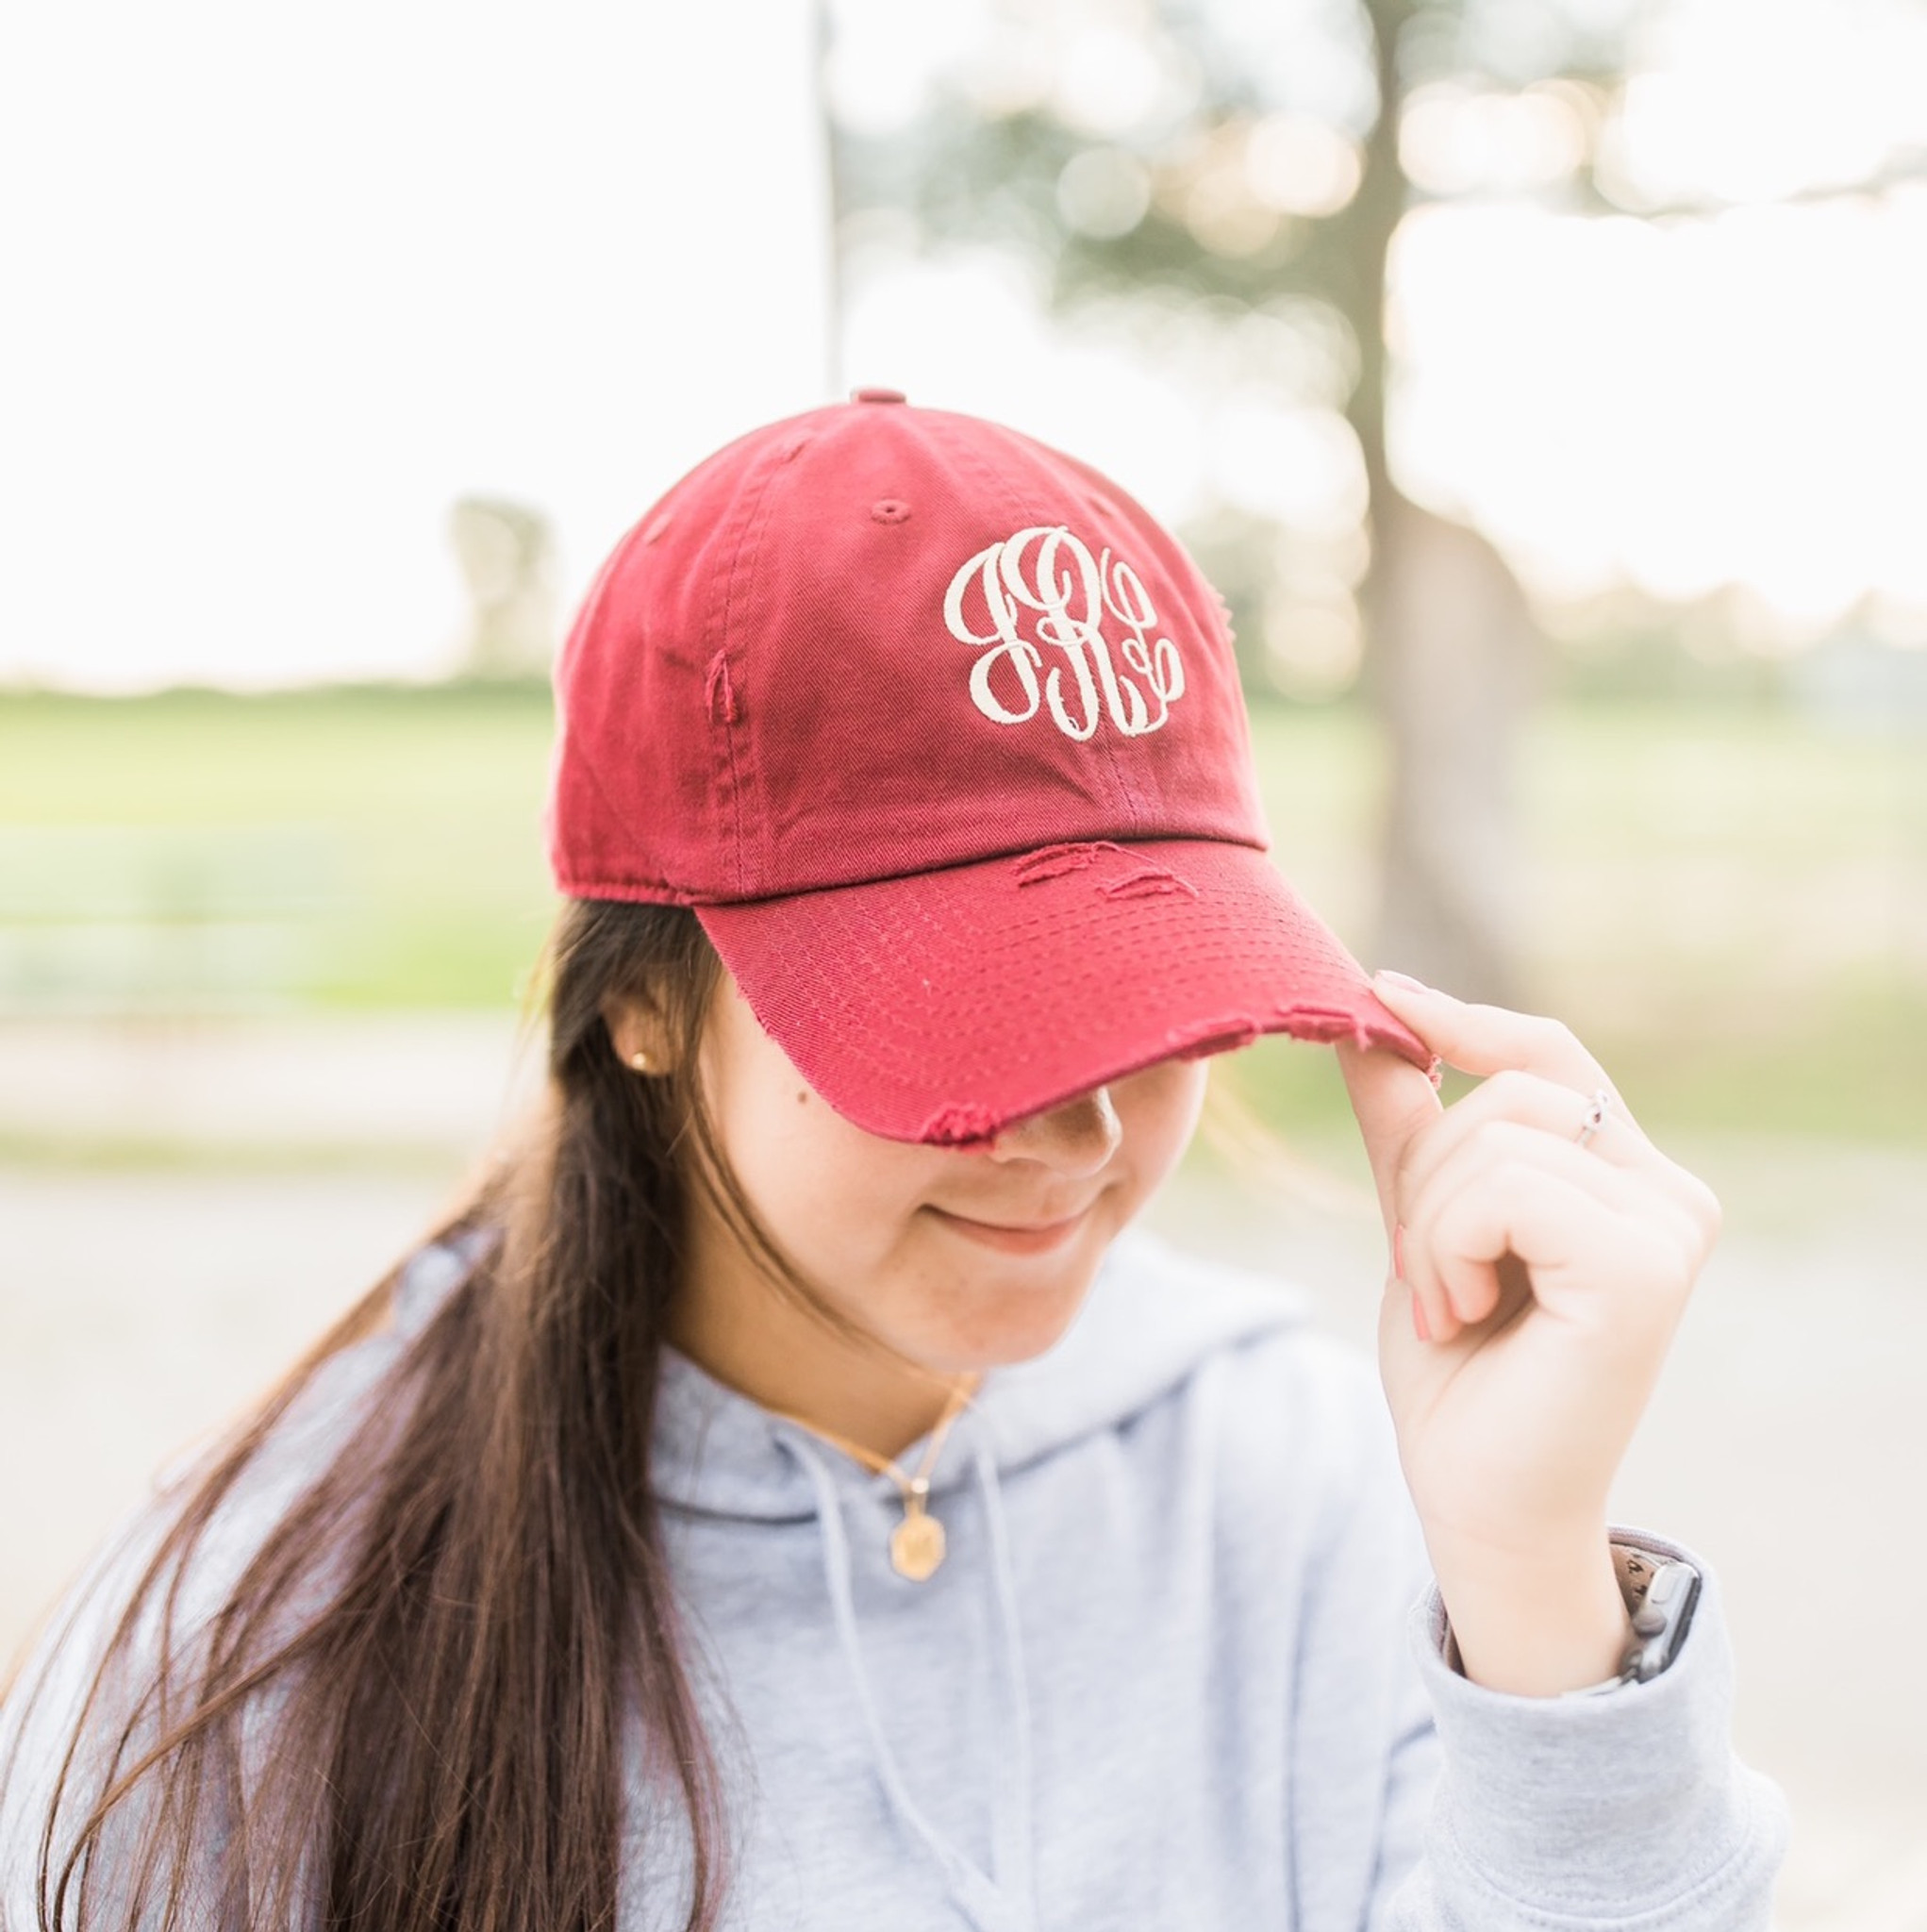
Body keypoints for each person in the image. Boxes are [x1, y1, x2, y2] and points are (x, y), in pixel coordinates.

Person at [0, 391, 1786, 1929]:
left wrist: (1534, 1583)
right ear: (641, 1001)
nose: (1083, 1135)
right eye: (967, 1025)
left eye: (1144, 1000)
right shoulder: (254, 1657)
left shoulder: (1307, 1478)